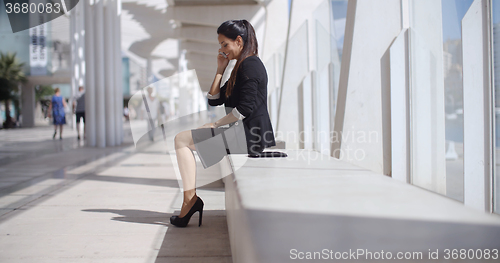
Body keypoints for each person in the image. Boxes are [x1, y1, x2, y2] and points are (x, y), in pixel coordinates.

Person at [170, 20, 276, 227]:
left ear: (239, 41)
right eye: (220, 45)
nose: (222, 50)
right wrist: (220, 69)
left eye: (225, 44)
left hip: (250, 136)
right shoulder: (240, 66)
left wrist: (215, 124)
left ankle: (189, 201)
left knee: (181, 140)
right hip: (244, 133)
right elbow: (215, 99)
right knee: (182, 140)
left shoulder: (250, 65)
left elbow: (245, 109)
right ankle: (189, 200)